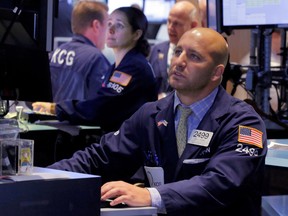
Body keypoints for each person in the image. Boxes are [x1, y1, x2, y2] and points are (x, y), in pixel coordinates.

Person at [46, 27, 267, 216]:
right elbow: (100, 158)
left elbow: (222, 183)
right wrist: (43, 176)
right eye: (178, 51)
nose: (179, 62)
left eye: (194, 57)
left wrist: (151, 195)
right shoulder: (151, 114)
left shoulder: (242, 122)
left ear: (216, 73)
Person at [33, 7, 158, 133]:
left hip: (132, 145)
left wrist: (57, 109)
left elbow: (101, 107)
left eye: (119, 25)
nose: (111, 29)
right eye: (109, 24)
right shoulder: (118, 66)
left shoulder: (133, 67)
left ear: (136, 34)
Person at [50, 1, 110, 102]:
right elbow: (102, 106)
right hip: (78, 118)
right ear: (96, 25)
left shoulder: (55, 53)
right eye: (107, 26)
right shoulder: (96, 59)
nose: (108, 33)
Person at [148, 1, 202, 99]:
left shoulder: (199, 56)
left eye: (177, 24)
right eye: (169, 21)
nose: (170, 28)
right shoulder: (156, 50)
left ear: (193, 25)